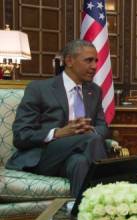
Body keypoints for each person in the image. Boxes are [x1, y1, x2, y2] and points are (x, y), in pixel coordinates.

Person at [6, 40, 109, 197]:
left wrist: (90, 129)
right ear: (69, 61)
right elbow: (21, 135)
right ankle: (109, 194)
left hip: (76, 156)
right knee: (90, 138)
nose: (94, 66)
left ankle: (79, 215)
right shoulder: (39, 89)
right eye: (88, 60)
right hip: (45, 156)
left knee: (79, 162)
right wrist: (57, 133)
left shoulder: (94, 91)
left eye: (96, 61)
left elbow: (102, 127)